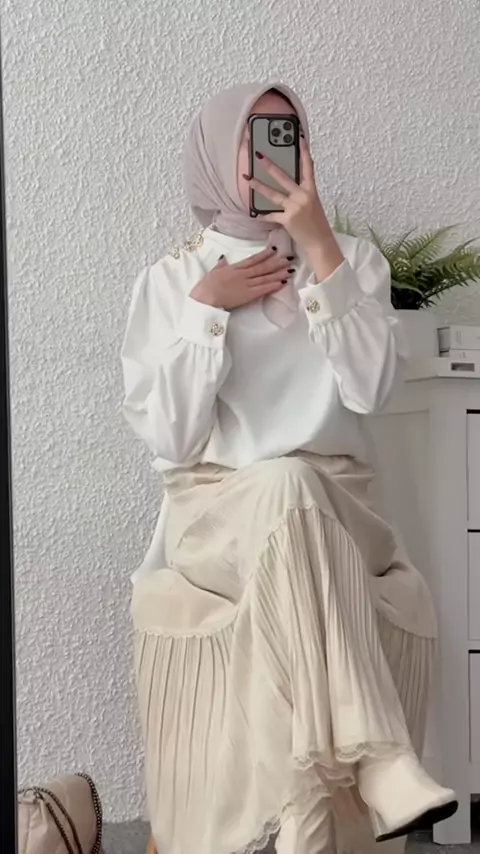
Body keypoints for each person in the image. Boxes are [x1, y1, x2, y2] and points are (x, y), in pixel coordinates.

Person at [121, 82, 457, 854]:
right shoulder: (173, 280)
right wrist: (207, 309)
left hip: (342, 509)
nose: (275, 153)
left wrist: (323, 253)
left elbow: (372, 390)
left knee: (297, 484)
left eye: (289, 134)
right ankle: (381, 765)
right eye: (255, 137)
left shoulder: (352, 262)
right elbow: (171, 439)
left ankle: (313, 818)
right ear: (216, 154)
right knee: (282, 480)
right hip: (217, 516)